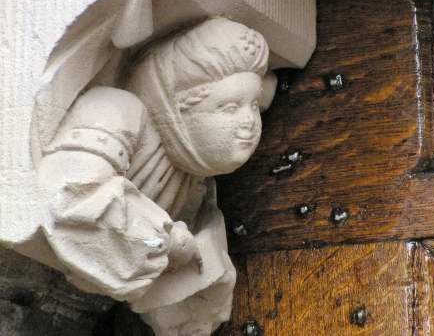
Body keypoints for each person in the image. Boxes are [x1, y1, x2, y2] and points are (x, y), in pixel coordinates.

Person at [38, 17, 270, 335]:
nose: (249, 122)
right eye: (229, 107)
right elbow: (72, 198)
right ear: (177, 108)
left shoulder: (194, 176)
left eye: (254, 105)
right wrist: (162, 242)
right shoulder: (114, 110)